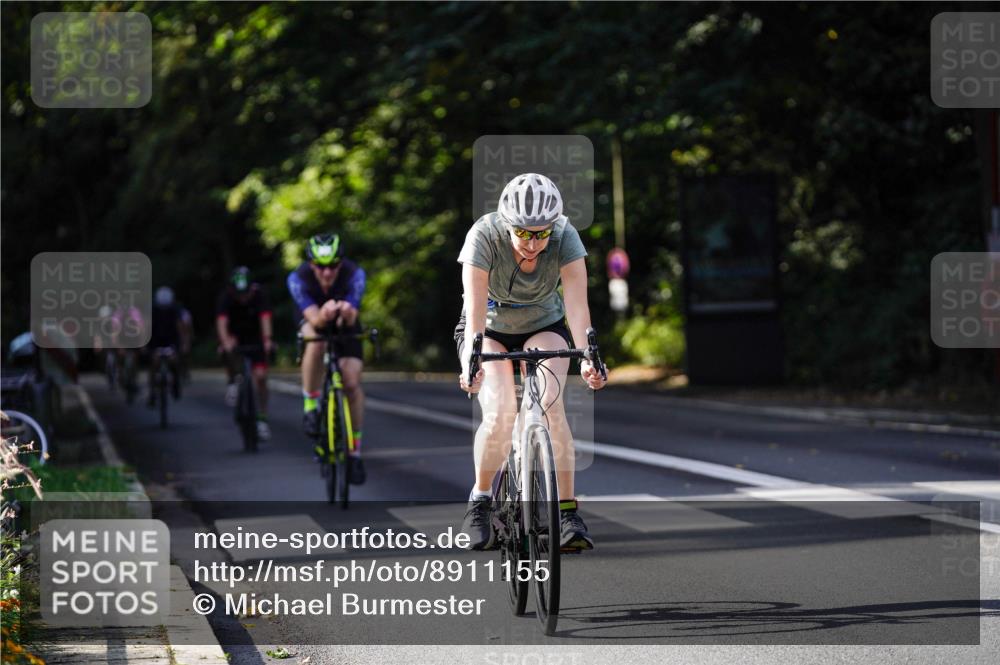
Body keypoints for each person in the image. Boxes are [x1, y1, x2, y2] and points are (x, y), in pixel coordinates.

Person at [456, 173, 607, 552]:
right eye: (523, 234)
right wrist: (471, 362)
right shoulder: (483, 236)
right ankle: (481, 500)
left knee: (550, 405)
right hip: (487, 330)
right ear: (507, 224)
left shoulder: (565, 236)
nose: (533, 243)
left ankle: (568, 512)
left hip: (543, 325)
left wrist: (590, 355)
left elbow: (575, 302)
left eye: (541, 233)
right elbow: (473, 308)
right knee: (501, 410)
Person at [287, 233, 368, 484]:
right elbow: (315, 320)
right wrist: (325, 313)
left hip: (346, 326)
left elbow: (351, 319)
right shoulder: (298, 278)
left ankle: (354, 453)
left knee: (351, 385)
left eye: (333, 266)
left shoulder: (355, 274)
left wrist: (345, 313)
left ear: (341, 263)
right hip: (314, 322)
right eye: (321, 267)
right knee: (317, 341)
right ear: (312, 265)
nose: (326, 273)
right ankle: (311, 405)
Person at [216, 266, 274, 440]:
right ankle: (232, 381)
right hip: (236, 337)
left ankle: (262, 419)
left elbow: (265, 319)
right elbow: (221, 322)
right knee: (226, 350)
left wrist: (267, 339)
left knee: (261, 377)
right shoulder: (225, 298)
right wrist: (225, 341)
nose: (242, 298)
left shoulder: (259, 295)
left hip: (255, 337)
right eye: (238, 294)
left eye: (245, 294)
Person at [147, 286, 184, 406]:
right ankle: (152, 392)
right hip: (155, 341)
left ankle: (176, 384)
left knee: (174, 361)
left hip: (171, 340)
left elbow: (180, 328)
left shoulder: (175, 310)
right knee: (153, 364)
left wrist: (181, 344)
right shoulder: (152, 310)